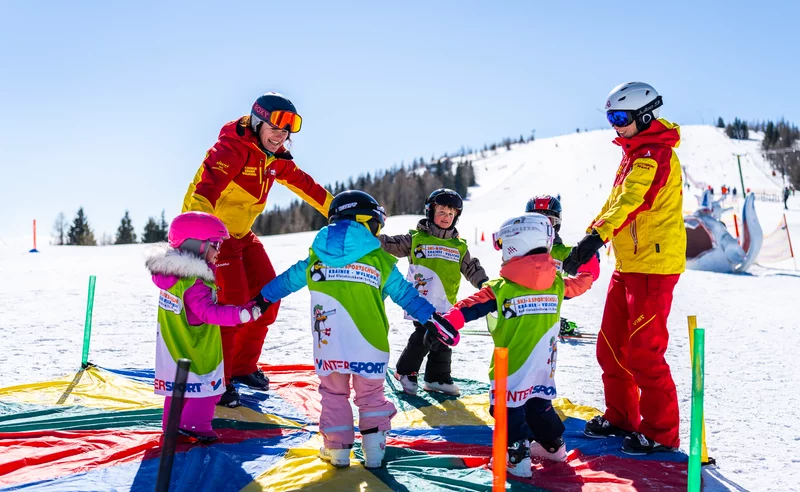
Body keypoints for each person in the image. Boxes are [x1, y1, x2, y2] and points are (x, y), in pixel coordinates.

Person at [254, 190, 458, 469]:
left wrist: (261, 299)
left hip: (329, 345)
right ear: (368, 223)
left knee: (334, 395)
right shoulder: (379, 260)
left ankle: (337, 450)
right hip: (369, 345)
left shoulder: (317, 256)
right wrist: (433, 320)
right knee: (370, 396)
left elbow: (286, 281)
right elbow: (407, 295)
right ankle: (374, 449)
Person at [182, 92, 333, 407]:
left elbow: (307, 186)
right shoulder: (232, 149)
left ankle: (242, 367)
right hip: (213, 238)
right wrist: (200, 234)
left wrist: (341, 211)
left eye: (286, 131)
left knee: (269, 295)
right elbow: (204, 191)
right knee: (233, 306)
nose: (281, 136)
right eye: (275, 128)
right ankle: (216, 379)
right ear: (258, 122)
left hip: (241, 235)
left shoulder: (273, 158)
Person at [563, 82, 686, 455]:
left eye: (620, 118)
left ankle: (662, 433)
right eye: (610, 118)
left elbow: (633, 202)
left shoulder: (655, 154)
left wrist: (596, 238)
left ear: (644, 115)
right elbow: (614, 201)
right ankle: (621, 416)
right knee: (611, 347)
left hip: (654, 267)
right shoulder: (633, 152)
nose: (614, 126)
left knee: (644, 352)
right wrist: (590, 237)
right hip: (629, 265)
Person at [435, 213, 593, 477]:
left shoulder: (502, 288)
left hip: (512, 365)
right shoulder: (555, 283)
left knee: (509, 408)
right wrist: (589, 268)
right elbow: (578, 285)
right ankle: (553, 446)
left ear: (514, 246)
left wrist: (445, 323)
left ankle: (516, 458)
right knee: (539, 405)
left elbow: (468, 308)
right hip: (545, 365)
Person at [146, 212, 262, 442]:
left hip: (174, 345)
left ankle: (172, 422)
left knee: (177, 389)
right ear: (196, 245)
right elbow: (208, 312)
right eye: (215, 245)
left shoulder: (173, 275)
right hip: (197, 346)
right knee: (210, 388)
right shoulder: (195, 280)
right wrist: (242, 314)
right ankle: (194, 424)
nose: (219, 251)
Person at [380, 189, 488, 397]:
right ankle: (405, 371)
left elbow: (471, 268)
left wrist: (483, 283)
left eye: (451, 214)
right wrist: (369, 238)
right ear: (430, 212)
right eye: (441, 212)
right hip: (420, 302)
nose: (446, 217)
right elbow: (390, 244)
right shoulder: (416, 239)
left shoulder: (459, 246)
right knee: (425, 334)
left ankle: (437, 378)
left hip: (446, 302)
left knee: (444, 338)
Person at [525, 195, 600, 337]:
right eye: (535, 222)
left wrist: (589, 254)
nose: (541, 227)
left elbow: (586, 274)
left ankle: (551, 321)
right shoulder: (521, 247)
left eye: (547, 221)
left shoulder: (562, 252)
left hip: (550, 301)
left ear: (556, 224)